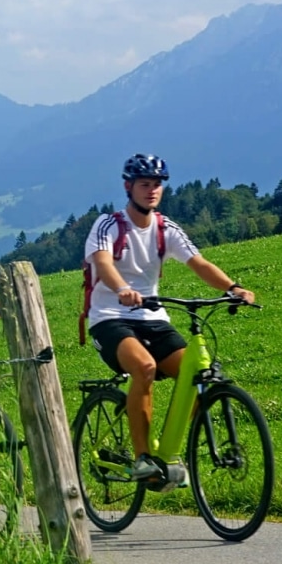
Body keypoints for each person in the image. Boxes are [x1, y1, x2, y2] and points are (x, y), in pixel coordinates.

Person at [83, 154, 254, 488]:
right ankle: (143, 456)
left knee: (199, 374)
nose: (152, 191)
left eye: (157, 185)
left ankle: (174, 448)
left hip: (153, 317)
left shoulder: (165, 228)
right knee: (144, 367)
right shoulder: (109, 225)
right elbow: (103, 263)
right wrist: (122, 289)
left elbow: (199, 263)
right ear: (128, 187)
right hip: (109, 318)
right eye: (145, 184)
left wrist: (233, 288)